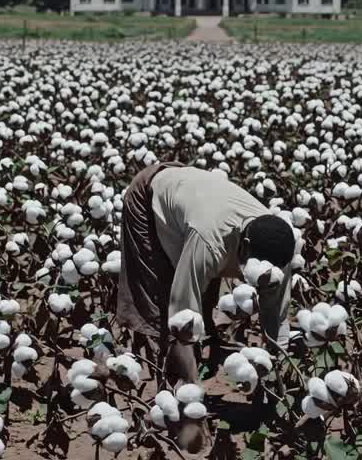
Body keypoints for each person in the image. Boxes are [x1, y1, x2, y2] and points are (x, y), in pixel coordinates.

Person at [116, 162, 296, 387]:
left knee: (205, 293)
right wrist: (191, 393)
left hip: (196, 197)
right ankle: (173, 384)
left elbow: (276, 317)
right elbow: (180, 312)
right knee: (161, 304)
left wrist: (276, 369)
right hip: (151, 196)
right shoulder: (209, 241)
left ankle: (207, 349)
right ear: (246, 246)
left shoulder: (278, 248)